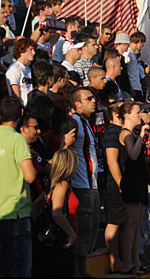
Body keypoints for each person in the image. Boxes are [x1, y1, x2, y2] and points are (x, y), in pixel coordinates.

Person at [0, 97, 36, 278]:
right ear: (21, 114)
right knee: (20, 264)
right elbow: (29, 176)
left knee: (4, 262)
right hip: (17, 210)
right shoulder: (17, 140)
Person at [64, 87, 100, 278]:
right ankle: (78, 273)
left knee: (92, 230)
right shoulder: (75, 122)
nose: (93, 101)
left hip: (92, 184)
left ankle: (83, 270)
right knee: (83, 230)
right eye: (88, 98)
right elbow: (64, 146)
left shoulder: (86, 122)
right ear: (77, 104)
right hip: (81, 185)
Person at [32, 149, 79, 279]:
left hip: (53, 242)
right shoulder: (62, 185)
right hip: (62, 241)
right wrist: (71, 234)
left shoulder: (53, 186)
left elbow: (35, 207)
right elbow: (57, 213)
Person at [117, 101, 150, 275]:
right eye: (137, 112)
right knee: (130, 224)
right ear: (128, 115)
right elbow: (133, 154)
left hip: (139, 179)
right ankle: (127, 261)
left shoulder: (133, 134)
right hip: (130, 180)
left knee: (137, 223)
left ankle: (135, 259)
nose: (140, 115)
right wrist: (141, 135)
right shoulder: (126, 134)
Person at [102, 101, 127, 274]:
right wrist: (121, 184)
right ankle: (114, 261)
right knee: (114, 222)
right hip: (115, 185)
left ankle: (121, 259)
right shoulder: (112, 132)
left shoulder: (121, 132)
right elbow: (112, 161)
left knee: (122, 223)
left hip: (122, 183)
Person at [6, 37, 36, 105]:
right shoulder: (14, 69)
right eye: (31, 50)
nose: (34, 52)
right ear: (22, 51)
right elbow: (15, 94)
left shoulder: (28, 69)